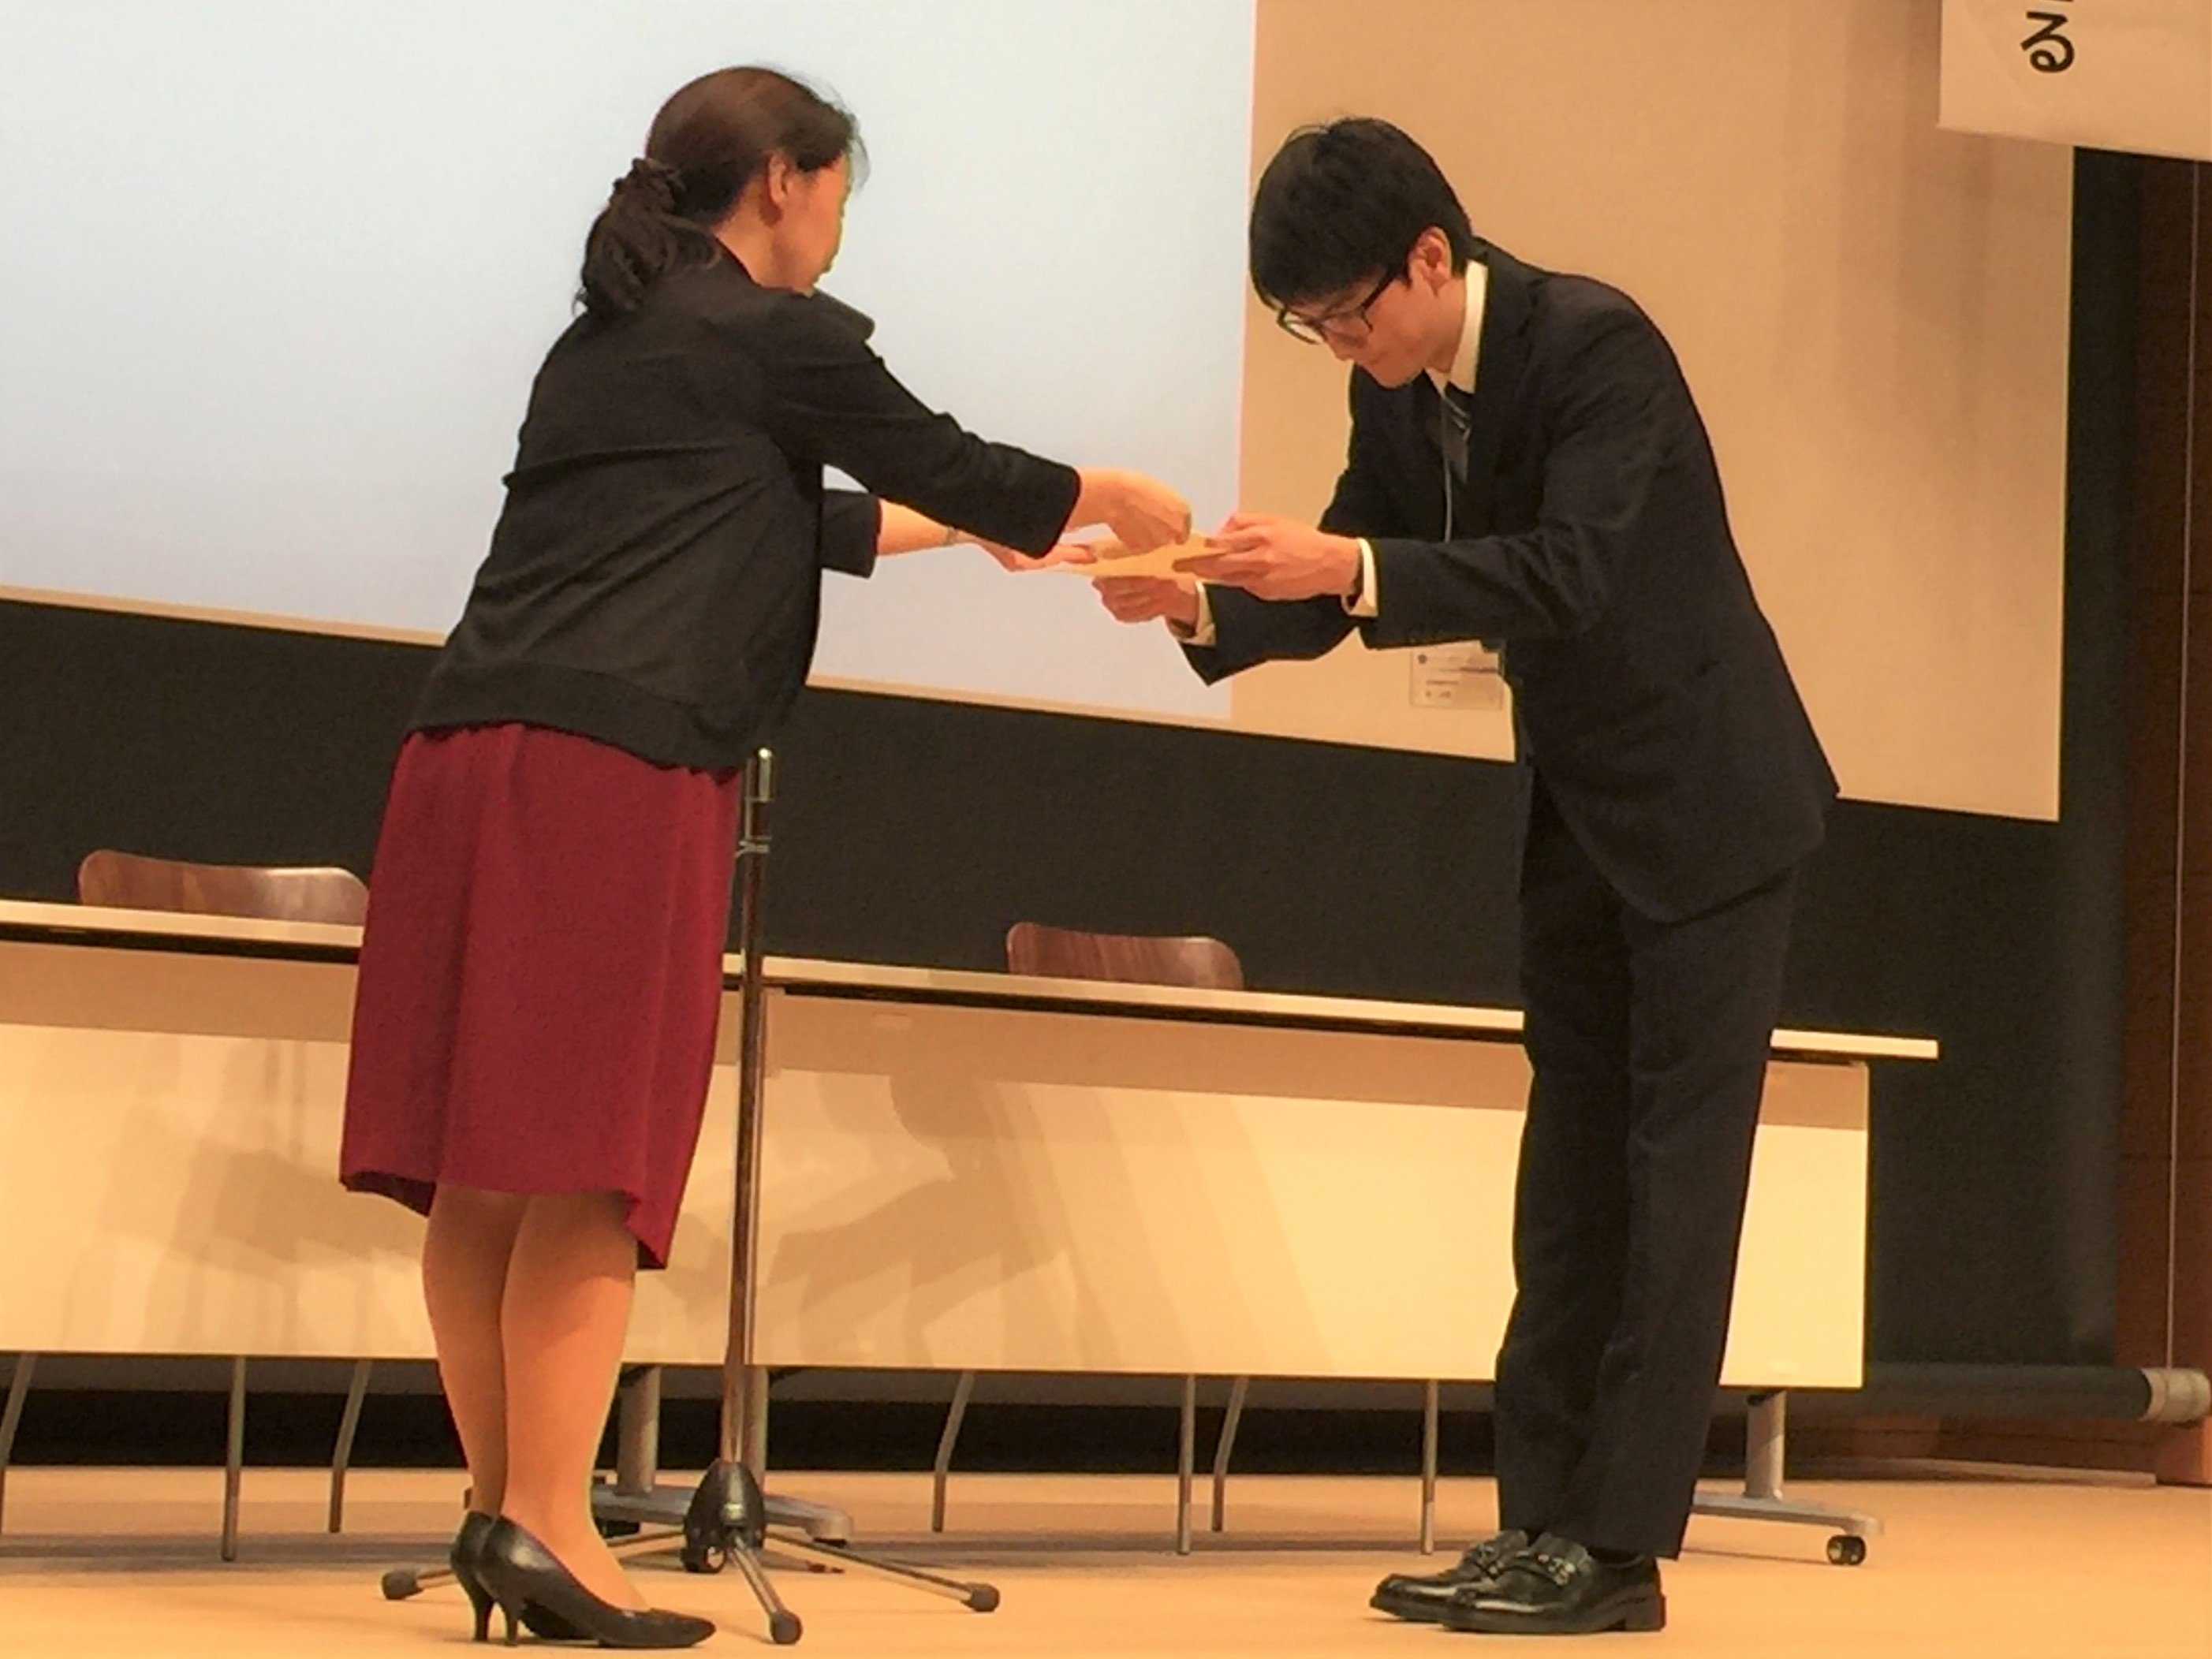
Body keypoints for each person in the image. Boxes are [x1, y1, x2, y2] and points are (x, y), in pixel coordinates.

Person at [338, 66, 1188, 1650]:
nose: (840, 222)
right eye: (840, 188)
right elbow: (947, 459)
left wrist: (993, 530)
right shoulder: (776, 332)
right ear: (785, 181)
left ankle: (503, 1506)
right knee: (584, 1159)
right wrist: (1109, 492)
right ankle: (552, 1524)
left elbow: (802, 513)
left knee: (484, 1165)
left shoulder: (608, 339)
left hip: (464, 751)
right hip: (611, 765)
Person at [1098, 117, 1834, 1638]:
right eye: (1308, 326)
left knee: (1673, 1192)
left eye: (1342, 314)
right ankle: (1535, 1526)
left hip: (1708, 811)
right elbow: (1350, 562)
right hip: (1576, 810)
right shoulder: (1400, 384)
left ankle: (1615, 1554)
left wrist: (1348, 571)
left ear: (1429, 258)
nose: (1336, 346)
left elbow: (1568, 570)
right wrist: (1194, 604)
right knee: (1565, 1188)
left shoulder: (1595, 345)